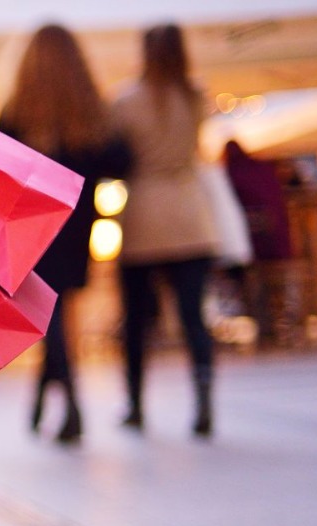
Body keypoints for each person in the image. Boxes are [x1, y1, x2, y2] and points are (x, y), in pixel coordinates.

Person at [0, 24, 131, 444]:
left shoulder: (15, 110)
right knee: (57, 312)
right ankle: (46, 400)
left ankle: (69, 402)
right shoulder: (90, 110)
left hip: (31, 225)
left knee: (48, 314)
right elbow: (119, 161)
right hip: (77, 225)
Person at [112, 23, 220, 437]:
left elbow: (117, 153)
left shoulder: (125, 100)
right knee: (194, 317)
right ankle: (204, 396)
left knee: (137, 319)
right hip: (190, 211)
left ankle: (136, 404)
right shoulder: (196, 95)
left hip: (144, 212)